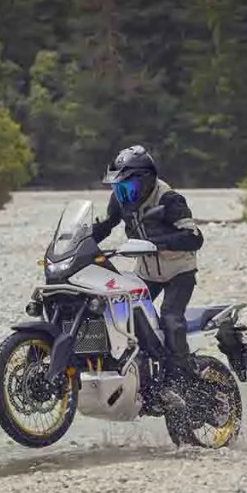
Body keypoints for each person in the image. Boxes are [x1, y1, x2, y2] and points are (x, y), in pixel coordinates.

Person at [90, 145, 204, 407]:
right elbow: (106, 225)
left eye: (126, 188)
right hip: (146, 272)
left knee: (171, 319)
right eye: (117, 189)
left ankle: (181, 379)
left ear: (145, 181)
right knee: (123, 314)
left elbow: (194, 237)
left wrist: (159, 242)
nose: (122, 195)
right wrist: (79, 241)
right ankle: (142, 373)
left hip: (179, 272)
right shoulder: (121, 199)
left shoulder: (169, 199)